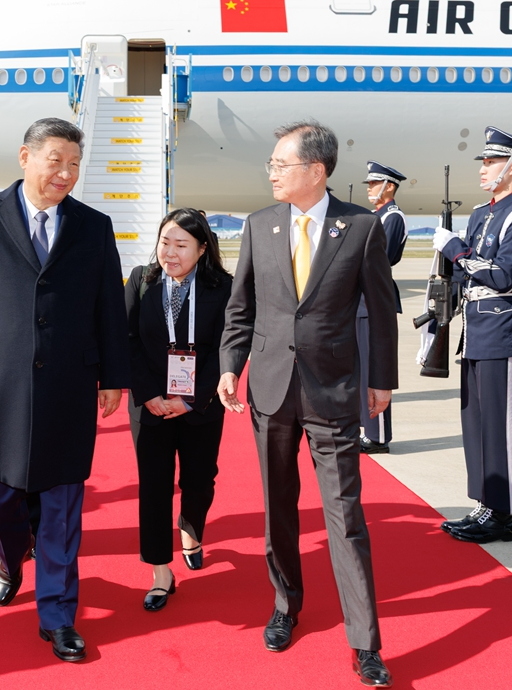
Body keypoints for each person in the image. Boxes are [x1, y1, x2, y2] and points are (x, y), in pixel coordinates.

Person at [0, 117, 129, 663]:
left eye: (74, 164)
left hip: (69, 381)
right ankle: (9, 551)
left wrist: (113, 375)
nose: (65, 173)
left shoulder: (94, 226)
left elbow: (107, 309)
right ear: (25, 157)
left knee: (62, 503)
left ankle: (57, 615)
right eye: (56, 160)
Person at [217, 121, 397, 687]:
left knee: (345, 518)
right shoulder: (259, 225)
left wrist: (383, 381)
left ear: (315, 171)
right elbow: (239, 308)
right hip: (270, 389)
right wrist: (230, 365)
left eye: (279, 164)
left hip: (334, 390)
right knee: (278, 508)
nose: (270, 172)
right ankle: (284, 604)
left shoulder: (361, 227)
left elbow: (382, 307)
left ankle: (366, 644)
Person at [125, 208, 232, 612]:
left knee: (199, 480)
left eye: (181, 245)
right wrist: (148, 393)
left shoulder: (223, 287)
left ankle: (191, 527)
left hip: (200, 405)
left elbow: (227, 346)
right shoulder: (141, 280)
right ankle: (160, 573)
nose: (169, 253)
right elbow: (128, 338)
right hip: (150, 403)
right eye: (164, 242)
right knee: (153, 487)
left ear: (203, 249)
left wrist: (192, 398)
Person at [433, 126, 512, 544]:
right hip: (476, 330)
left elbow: (502, 274)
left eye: (493, 161)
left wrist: (458, 252)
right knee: (475, 421)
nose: (485, 169)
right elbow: (468, 274)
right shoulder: (482, 213)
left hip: (502, 331)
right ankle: (485, 503)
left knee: (499, 426)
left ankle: (504, 509)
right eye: (483, 161)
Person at [358, 161, 408, 454]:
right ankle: (365, 427)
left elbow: (381, 258)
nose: (370, 189)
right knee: (361, 367)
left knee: (376, 368)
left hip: (375, 298)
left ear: (389, 186)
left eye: (375, 184)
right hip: (362, 298)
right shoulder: (376, 215)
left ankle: (378, 436)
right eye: (369, 184)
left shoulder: (392, 216)